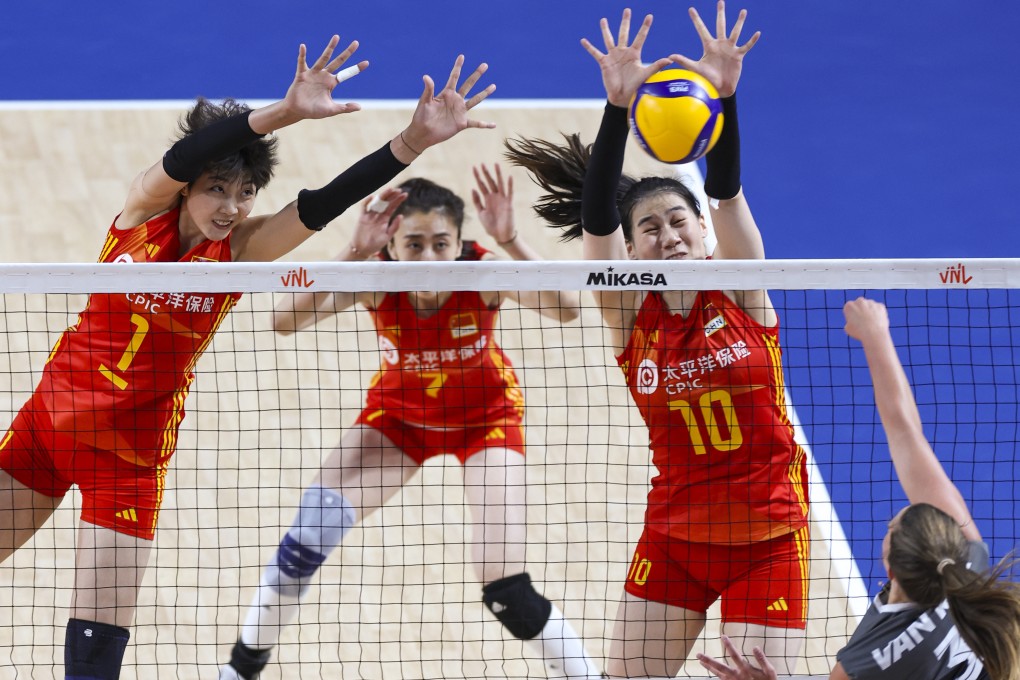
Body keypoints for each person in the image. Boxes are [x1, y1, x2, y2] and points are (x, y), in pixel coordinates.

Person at [0, 34, 496, 680]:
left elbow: (323, 202)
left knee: (92, 663)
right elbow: (184, 155)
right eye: (217, 189)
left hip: (127, 463)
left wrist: (413, 141)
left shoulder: (238, 254)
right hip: (46, 430)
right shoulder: (141, 211)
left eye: (246, 192)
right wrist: (284, 112)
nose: (232, 207)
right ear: (186, 190)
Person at [505, 2, 810, 676]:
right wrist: (618, 108)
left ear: (702, 232)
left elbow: (727, 193)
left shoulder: (742, 289)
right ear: (634, 248)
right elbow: (596, 224)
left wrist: (725, 97)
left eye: (679, 221)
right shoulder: (629, 315)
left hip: (768, 537)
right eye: (650, 228)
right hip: (676, 537)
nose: (668, 235)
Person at [218, 167, 600, 680]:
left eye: (440, 244)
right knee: (304, 540)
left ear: (459, 245)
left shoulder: (483, 273)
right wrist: (354, 251)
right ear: (392, 247)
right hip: (397, 423)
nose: (428, 259)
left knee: (507, 589)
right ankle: (239, 670)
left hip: (486, 422)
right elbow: (284, 320)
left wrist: (510, 240)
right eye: (413, 245)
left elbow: (568, 308)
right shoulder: (376, 277)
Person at [697, 298, 1020, 680]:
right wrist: (876, 337)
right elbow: (906, 432)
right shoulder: (967, 567)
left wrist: (875, 332)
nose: (893, 519)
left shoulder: (869, 658)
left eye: (892, 526)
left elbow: (905, 432)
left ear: (890, 569)